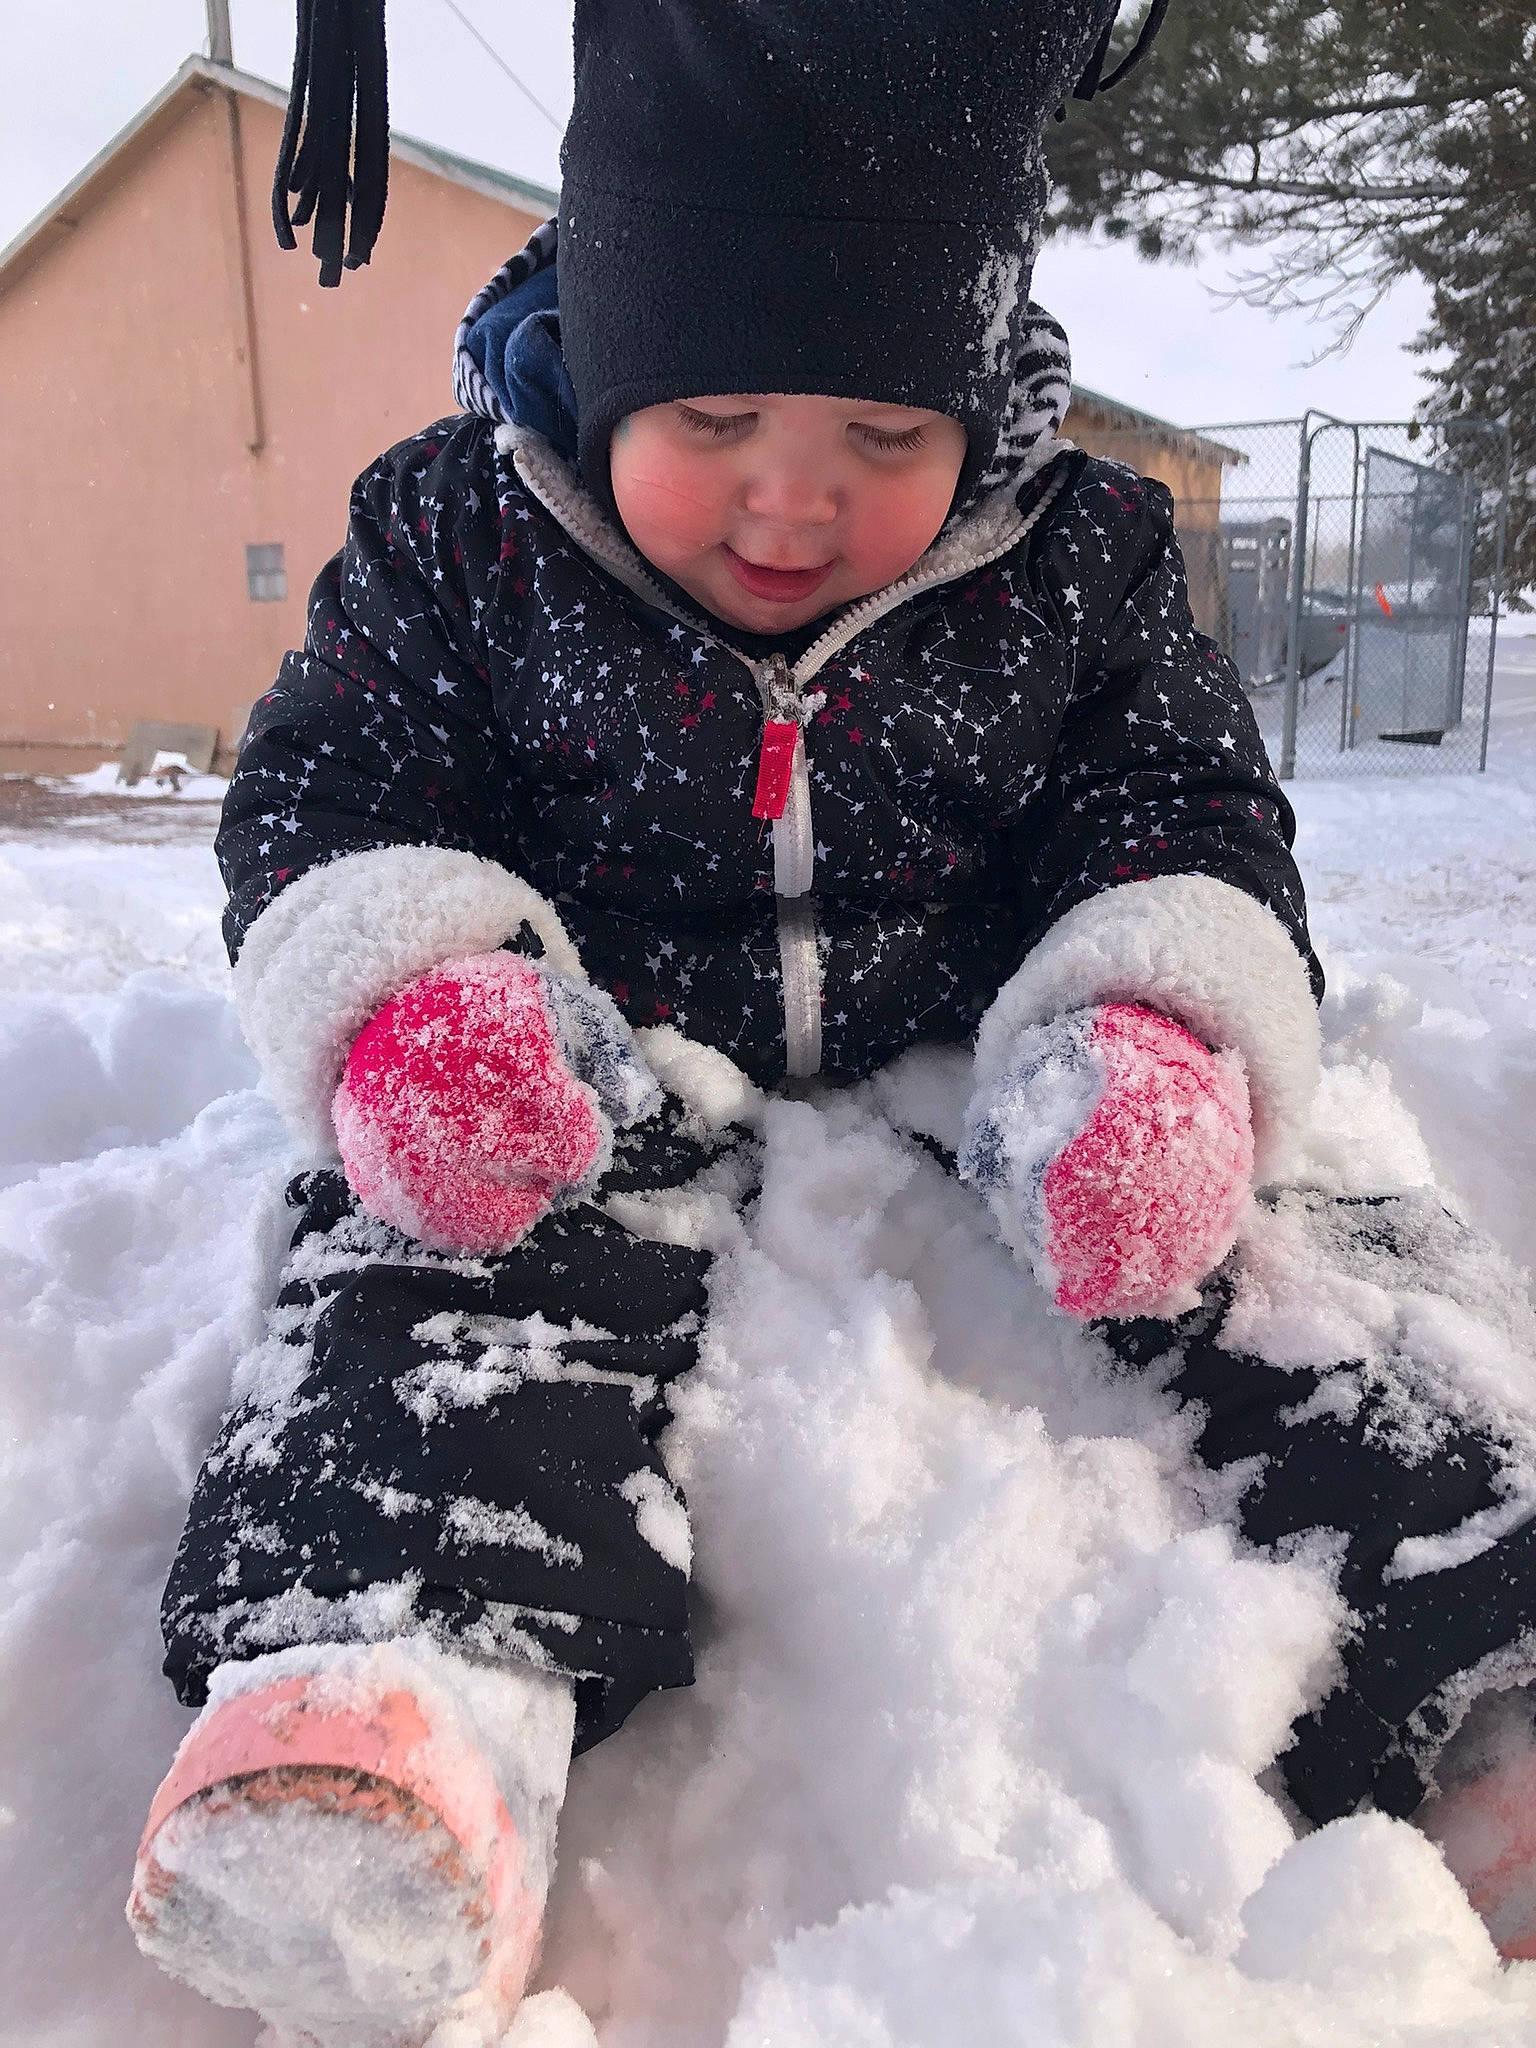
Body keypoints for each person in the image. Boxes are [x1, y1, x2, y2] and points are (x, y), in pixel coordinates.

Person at [127, 3, 1536, 2040]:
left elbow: (1183, 810)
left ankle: (1491, 1676)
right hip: (584, 1071)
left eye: (888, 441)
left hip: (996, 1056)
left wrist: (1152, 1018)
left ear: (979, 405)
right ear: (603, 362)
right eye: (713, 424)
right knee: (437, 1291)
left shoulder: (1084, 563)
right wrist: (418, 993)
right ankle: (384, 1697)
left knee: (1299, 1266)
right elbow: (340, 794)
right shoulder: (459, 541)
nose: (794, 505)